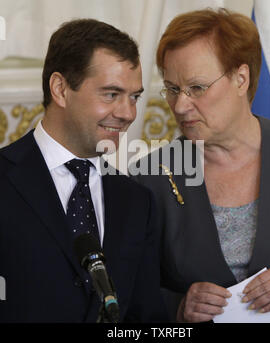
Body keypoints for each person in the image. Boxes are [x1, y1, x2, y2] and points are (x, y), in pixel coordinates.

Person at [130, 8, 270, 322]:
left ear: (241, 78)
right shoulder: (148, 178)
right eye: (172, 89)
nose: (180, 106)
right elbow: (126, 296)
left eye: (197, 88)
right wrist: (177, 307)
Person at [0, 18, 167, 322]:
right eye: (111, 94)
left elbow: (146, 319)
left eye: (135, 97)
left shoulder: (137, 202)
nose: (128, 113)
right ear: (60, 89)